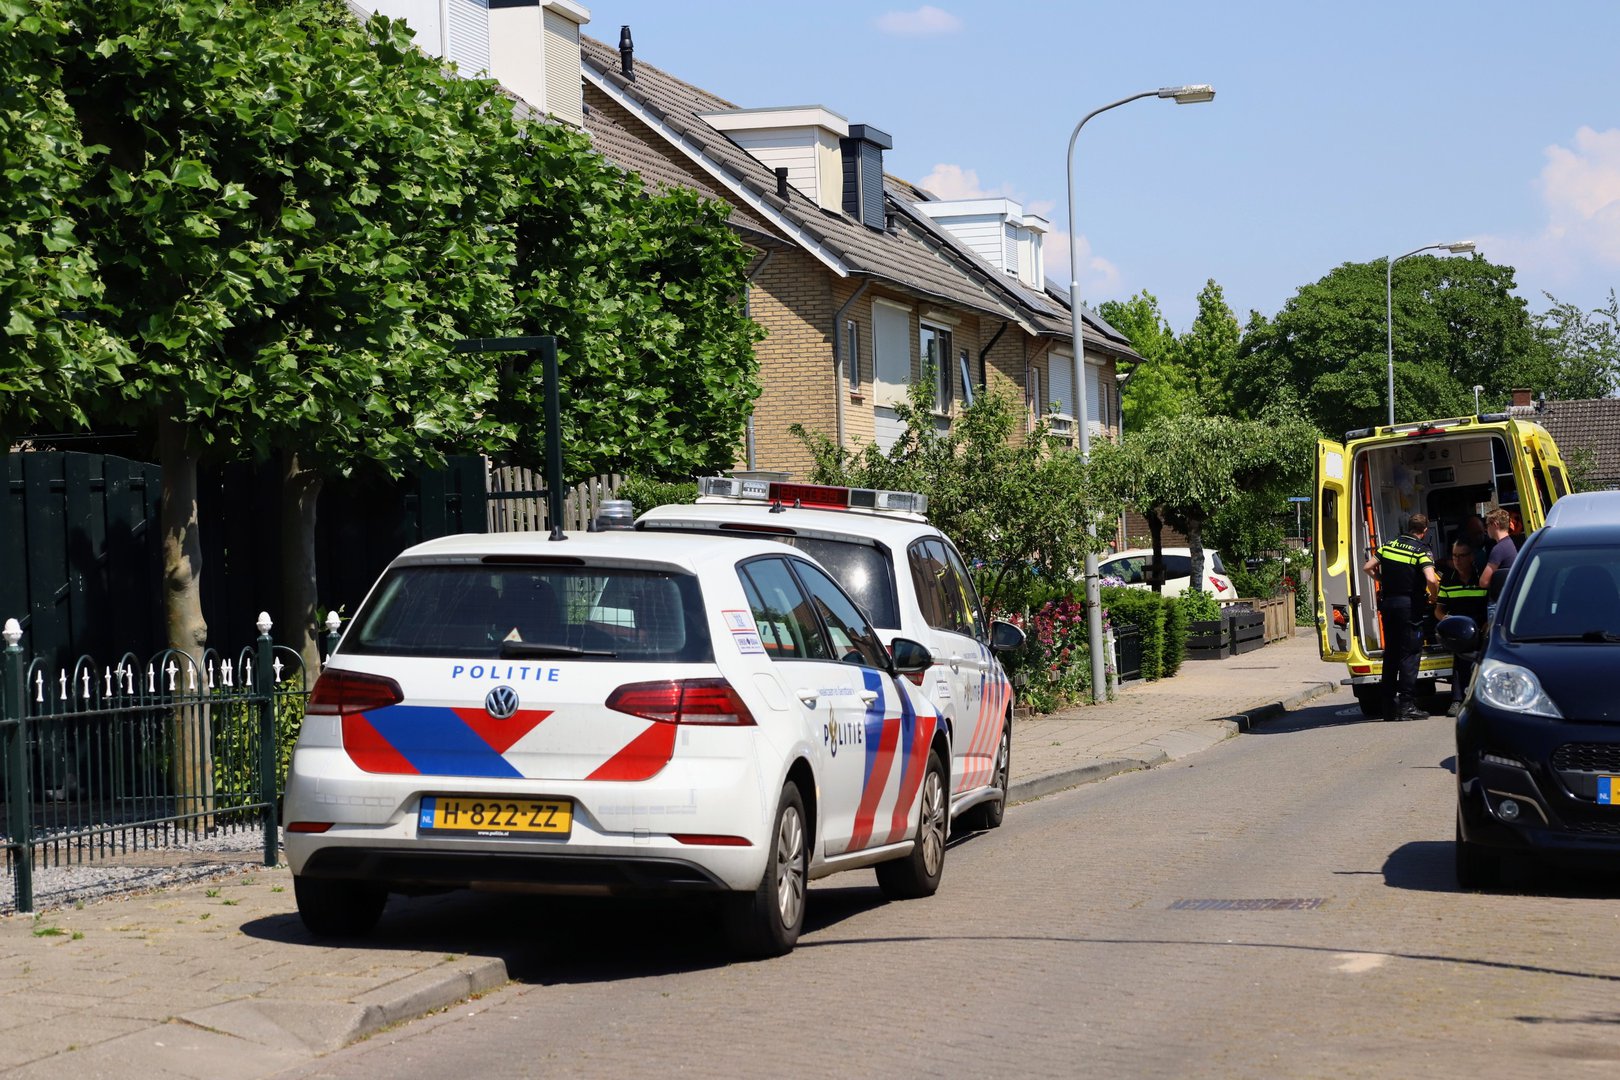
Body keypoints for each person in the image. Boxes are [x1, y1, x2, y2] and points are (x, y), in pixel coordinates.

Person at [1364, 512, 1441, 721]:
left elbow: (1368, 567)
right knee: (1410, 654)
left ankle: (1388, 707)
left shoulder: (1389, 545)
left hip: (1389, 605)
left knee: (1391, 654)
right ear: (1424, 531)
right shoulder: (1421, 550)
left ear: (1408, 527)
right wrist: (1434, 597)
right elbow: (1431, 579)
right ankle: (1407, 705)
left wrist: (1382, 580)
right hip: (1409, 607)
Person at [1435, 541, 1487, 717]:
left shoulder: (1481, 578)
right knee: (1459, 660)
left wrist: (1488, 622)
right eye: (1454, 556)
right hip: (1459, 631)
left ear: (1471, 557)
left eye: (1461, 556)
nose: (1456, 560)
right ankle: (1457, 700)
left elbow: (1493, 604)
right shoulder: (1448, 580)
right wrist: (1445, 620)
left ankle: (1483, 699)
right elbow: (1439, 609)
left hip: (1481, 628)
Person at [1479, 508, 1517, 623]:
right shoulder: (1509, 544)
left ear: (1495, 524)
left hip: (1498, 604)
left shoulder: (1499, 549)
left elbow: (1484, 582)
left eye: (1487, 525)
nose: (1486, 530)